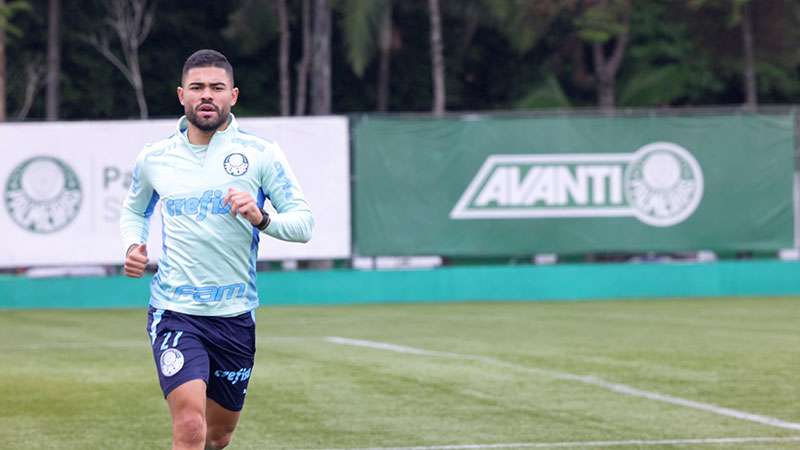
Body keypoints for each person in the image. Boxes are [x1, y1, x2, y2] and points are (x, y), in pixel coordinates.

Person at [120, 49, 313, 450]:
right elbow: (134, 209)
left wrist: (261, 217)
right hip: (175, 313)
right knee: (191, 426)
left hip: (235, 318)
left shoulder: (261, 154)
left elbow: (304, 223)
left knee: (218, 435)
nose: (206, 95)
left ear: (233, 95)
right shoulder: (155, 158)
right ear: (181, 95)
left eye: (216, 87)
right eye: (197, 87)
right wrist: (133, 245)